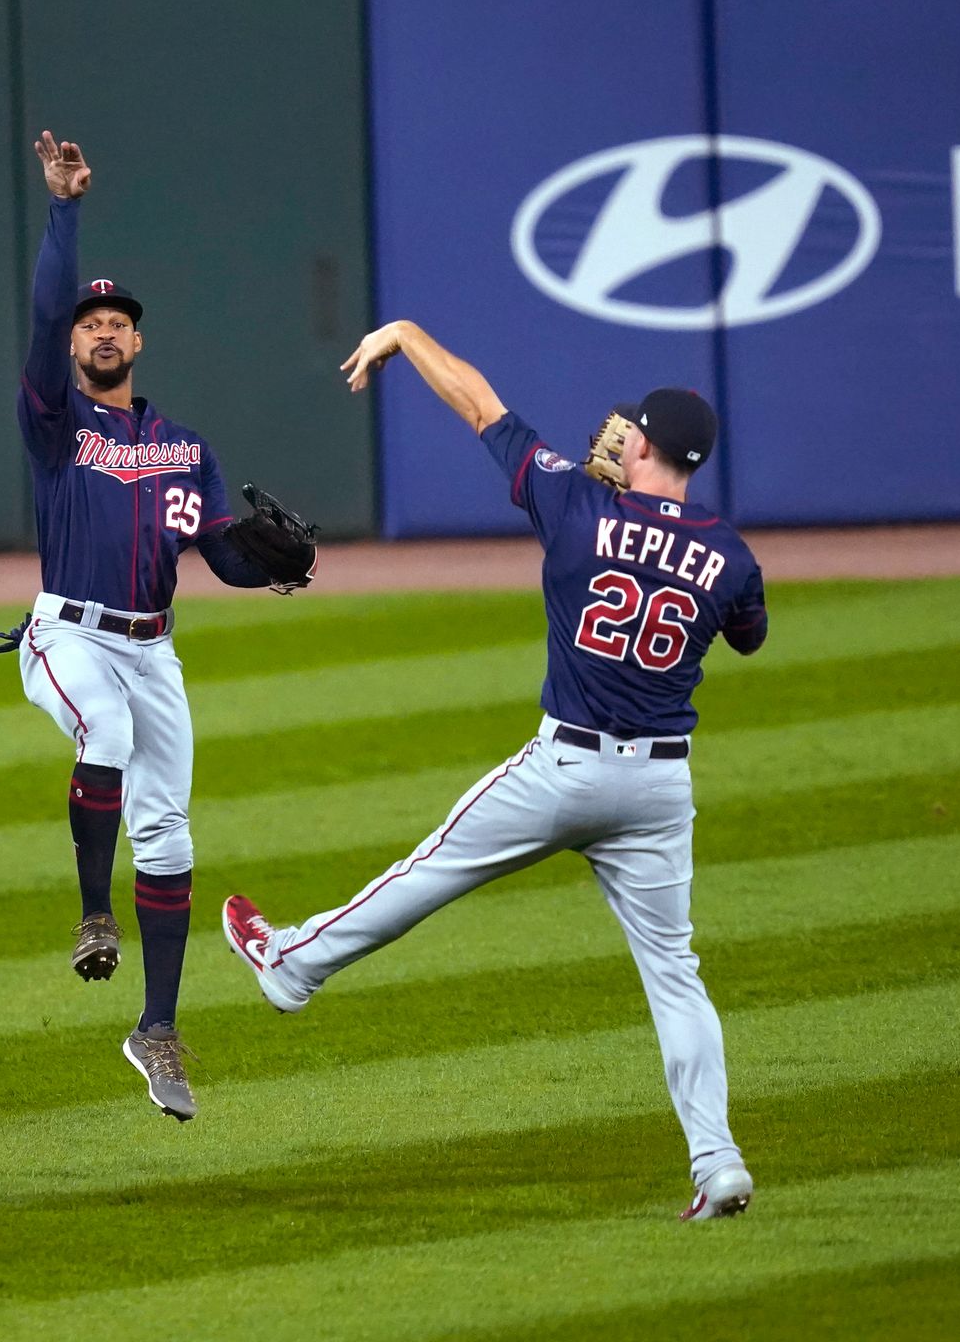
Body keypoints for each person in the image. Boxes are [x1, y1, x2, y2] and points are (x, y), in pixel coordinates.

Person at [223, 319, 766, 1219]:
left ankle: (292, 964)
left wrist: (403, 334)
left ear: (642, 443)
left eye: (627, 430)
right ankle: (719, 1164)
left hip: (565, 768)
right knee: (676, 975)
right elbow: (746, 638)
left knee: (431, 868)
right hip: (660, 789)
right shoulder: (733, 554)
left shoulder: (574, 503)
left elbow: (480, 403)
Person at [12, 131, 296, 1121]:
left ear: (138, 341)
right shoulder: (57, 427)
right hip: (68, 634)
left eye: (115, 321)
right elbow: (46, 308)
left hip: (153, 645)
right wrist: (64, 207)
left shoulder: (185, 446)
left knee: (170, 833)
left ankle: (157, 1026)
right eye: (90, 319)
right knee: (108, 732)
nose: (98, 328)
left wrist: (273, 567)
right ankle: (95, 912)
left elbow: (216, 553)